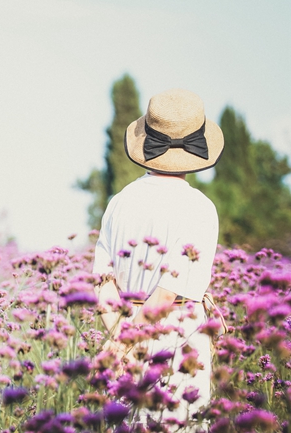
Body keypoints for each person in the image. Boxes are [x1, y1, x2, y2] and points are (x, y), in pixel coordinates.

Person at [92, 88, 224, 424]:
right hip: (180, 345)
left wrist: (120, 341)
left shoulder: (118, 202)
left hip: (122, 335)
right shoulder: (200, 209)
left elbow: (103, 281)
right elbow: (168, 292)